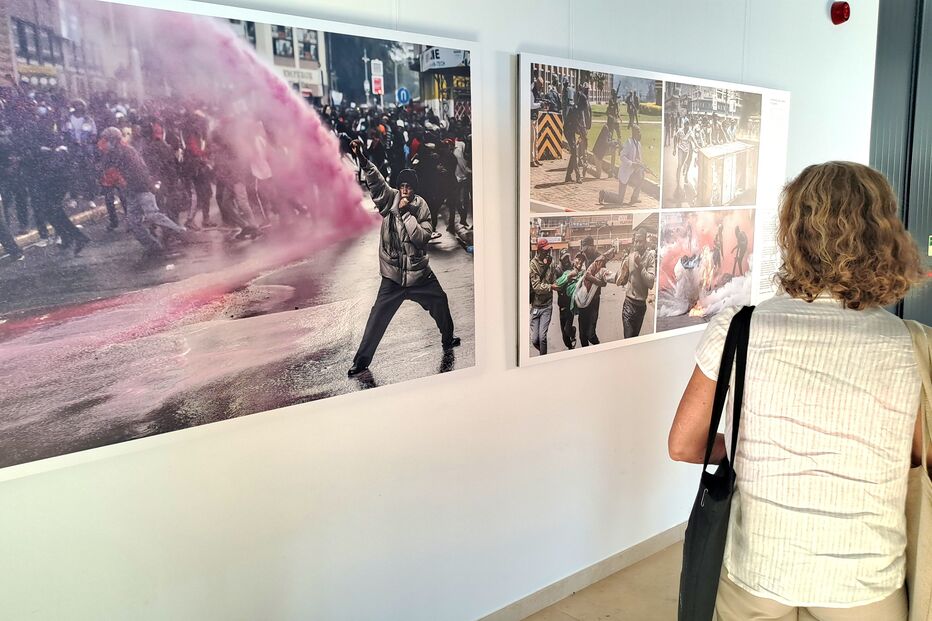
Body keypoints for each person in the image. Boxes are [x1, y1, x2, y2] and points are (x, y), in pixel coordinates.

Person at [668, 162, 925, 620]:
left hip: (761, 568)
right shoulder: (914, 343)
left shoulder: (739, 328)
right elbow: (921, 459)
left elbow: (685, 445)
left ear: (792, 232)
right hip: (865, 580)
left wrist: (755, 450)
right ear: (884, 234)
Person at [347, 138, 459, 377]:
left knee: (441, 302)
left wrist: (406, 214)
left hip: (420, 274)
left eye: (409, 186)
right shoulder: (390, 199)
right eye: (402, 186)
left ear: (415, 188)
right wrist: (363, 159)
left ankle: (448, 339)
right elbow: (376, 183)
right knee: (377, 318)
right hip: (393, 277)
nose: (405, 190)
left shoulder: (421, 207)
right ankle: (361, 362)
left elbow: (421, 239)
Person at [97, 127, 187, 255]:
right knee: (134, 222)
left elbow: (139, 171)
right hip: (131, 191)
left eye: (107, 140)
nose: (105, 143)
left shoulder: (127, 152)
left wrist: (143, 186)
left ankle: (179, 232)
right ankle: (153, 247)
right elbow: (107, 168)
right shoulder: (113, 153)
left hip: (142, 188)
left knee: (153, 215)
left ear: (113, 140)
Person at [615, 229, 655, 338]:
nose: (637, 244)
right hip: (628, 304)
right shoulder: (629, 258)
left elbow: (650, 282)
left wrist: (641, 266)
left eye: (640, 241)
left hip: (641, 306)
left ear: (645, 242)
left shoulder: (650, 258)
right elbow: (621, 279)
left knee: (634, 338)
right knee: (628, 339)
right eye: (636, 241)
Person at [599, 125, 646, 206]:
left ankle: (634, 198)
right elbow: (622, 156)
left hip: (633, 173)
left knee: (641, 176)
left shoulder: (639, 144)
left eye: (640, 131)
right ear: (634, 133)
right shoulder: (629, 142)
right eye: (638, 132)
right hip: (625, 173)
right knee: (620, 200)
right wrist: (631, 163)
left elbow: (638, 158)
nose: (640, 134)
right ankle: (604, 194)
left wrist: (642, 166)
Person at [529, 238, 557, 355]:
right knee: (535, 340)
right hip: (535, 306)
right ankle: (543, 354)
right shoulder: (533, 265)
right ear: (539, 251)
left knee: (542, 338)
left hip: (547, 305)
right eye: (545, 250)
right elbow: (536, 287)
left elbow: (554, 280)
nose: (547, 253)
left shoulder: (551, 263)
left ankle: (543, 359)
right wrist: (551, 287)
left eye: (548, 250)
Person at [577, 236, 602, 347]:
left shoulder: (600, 259)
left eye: (586, 249)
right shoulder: (583, 257)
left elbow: (603, 282)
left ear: (592, 246)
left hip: (594, 300)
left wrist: (590, 277)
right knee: (582, 335)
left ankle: (599, 350)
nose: (585, 252)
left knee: (590, 334)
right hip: (583, 299)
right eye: (583, 250)